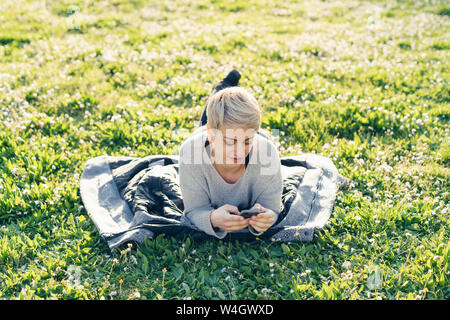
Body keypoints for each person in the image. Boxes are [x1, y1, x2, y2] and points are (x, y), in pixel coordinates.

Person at [179, 70, 283, 239]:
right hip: (204, 137)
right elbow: (193, 210)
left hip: (249, 138)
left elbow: (273, 208)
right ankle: (221, 88)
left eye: (247, 141)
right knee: (209, 114)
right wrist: (212, 219)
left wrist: (268, 217)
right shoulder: (190, 152)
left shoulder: (267, 153)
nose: (240, 151)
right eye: (230, 142)